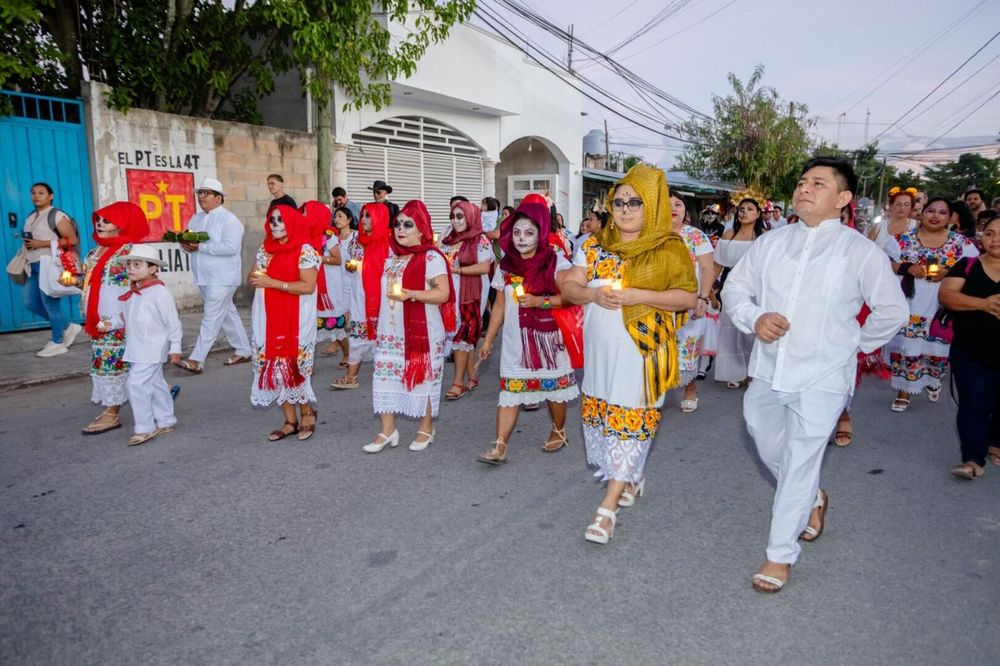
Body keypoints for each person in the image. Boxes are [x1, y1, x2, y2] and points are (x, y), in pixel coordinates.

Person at [723, 156, 908, 592]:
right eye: (803, 181)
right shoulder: (770, 244)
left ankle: (779, 555)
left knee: (803, 457)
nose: (805, 188)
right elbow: (735, 289)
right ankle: (813, 497)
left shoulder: (859, 250)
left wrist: (851, 346)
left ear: (843, 199)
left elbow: (893, 310)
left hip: (824, 376)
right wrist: (754, 316)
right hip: (768, 369)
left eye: (818, 183)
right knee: (765, 439)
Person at [558, 165, 695, 543]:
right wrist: (591, 294)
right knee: (606, 418)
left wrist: (638, 296)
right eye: (619, 202)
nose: (626, 208)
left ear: (651, 205)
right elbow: (570, 287)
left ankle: (607, 508)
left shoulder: (669, 247)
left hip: (643, 352)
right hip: (600, 354)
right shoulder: (592, 244)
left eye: (635, 201)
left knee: (631, 417)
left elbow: (687, 297)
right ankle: (630, 474)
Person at [478, 200, 580, 465]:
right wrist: (488, 340)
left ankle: (558, 430)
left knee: (554, 389)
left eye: (529, 233)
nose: (522, 239)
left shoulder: (555, 262)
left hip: (550, 342)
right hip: (515, 340)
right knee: (510, 392)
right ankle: (499, 445)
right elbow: (500, 304)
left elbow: (571, 299)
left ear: (541, 233)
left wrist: (540, 302)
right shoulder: (506, 264)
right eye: (517, 232)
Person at [363, 200, 455, 453]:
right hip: (390, 330)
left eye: (408, 225)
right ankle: (387, 430)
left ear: (422, 230)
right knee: (385, 378)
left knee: (423, 379)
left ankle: (426, 428)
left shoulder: (432, 257)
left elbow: (443, 294)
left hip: (423, 330)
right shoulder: (393, 257)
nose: (400, 229)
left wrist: (412, 294)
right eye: (398, 224)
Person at [886, 197, 979, 411]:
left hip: (942, 309)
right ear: (922, 213)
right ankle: (904, 391)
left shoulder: (961, 244)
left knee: (938, 350)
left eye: (942, 212)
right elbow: (883, 262)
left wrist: (950, 273)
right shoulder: (903, 239)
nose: (935, 215)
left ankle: (932, 379)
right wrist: (906, 268)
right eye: (931, 210)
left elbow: (973, 268)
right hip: (910, 304)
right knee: (907, 349)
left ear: (949, 217)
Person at [75, 202, 149, 435]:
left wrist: (122, 316)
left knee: (112, 364)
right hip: (98, 318)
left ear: (122, 224)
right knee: (124, 362)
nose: (99, 223)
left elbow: (141, 284)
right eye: (98, 220)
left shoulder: (129, 252)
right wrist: (75, 282)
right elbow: (93, 283)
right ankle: (157, 393)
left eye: (106, 220)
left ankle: (111, 413)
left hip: (119, 317)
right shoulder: (94, 252)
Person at [248, 205, 320, 441]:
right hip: (267, 317)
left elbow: (308, 286)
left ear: (293, 222)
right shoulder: (265, 249)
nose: (275, 224)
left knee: (294, 367)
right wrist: (257, 279)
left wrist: (272, 282)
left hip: (297, 318)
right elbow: (253, 277)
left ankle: (307, 411)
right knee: (275, 367)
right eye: (272, 220)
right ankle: (290, 420)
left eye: (281, 220)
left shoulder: (305, 250)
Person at [939, 215, 1000, 478]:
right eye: (990, 233)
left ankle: (996, 443)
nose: (995, 239)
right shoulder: (967, 264)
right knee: (973, 402)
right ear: (982, 237)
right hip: (970, 351)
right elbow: (947, 295)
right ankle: (973, 459)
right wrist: (983, 304)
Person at [106, 244, 183, 446]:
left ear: (152, 269)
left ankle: (145, 427)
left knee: (136, 384)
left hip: (152, 347)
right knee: (155, 383)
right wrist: (110, 323)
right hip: (136, 347)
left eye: (137, 265)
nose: (131, 268)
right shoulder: (130, 292)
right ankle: (166, 419)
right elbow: (122, 317)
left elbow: (172, 322)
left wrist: (175, 346)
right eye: (129, 264)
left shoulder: (160, 293)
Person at [175, 178, 252, 374]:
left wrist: (200, 246)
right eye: (199, 193)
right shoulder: (196, 219)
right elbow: (189, 244)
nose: (201, 197)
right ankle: (244, 350)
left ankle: (196, 359)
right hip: (203, 277)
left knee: (211, 317)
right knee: (227, 314)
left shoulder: (229, 220)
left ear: (218, 198)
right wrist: (186, 246)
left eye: (206, 193)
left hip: (223, 278)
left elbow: (230, 247)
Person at [331, 204, 391, 389]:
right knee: (358, 333)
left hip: (381, 297)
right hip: (359, 293)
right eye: (363, 215)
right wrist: (352, 266)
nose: (363, 218)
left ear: (379, 218)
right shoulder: (359, 240)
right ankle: (352, 376)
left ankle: (388, 376)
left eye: (368, 215)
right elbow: (354, 263)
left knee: (385, 335)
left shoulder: (390, 242)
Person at [21, 182, 82, 356]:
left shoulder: (57, 215)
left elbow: (72, 240)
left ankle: (58, 342)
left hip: (50, 264)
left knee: (50, 304)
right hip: (33, 265)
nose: (36, 195)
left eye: (41, 192)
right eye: (33, 192)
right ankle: (67, 327)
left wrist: (41, 243)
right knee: (30, 302)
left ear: (51, 196)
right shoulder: (31, 216)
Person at [440, 201, 493, 399]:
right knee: (460, 336)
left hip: (471, 292)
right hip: (448, 292)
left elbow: (485, 268)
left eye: (460, 216)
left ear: (470, 216)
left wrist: (458, 270)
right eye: (452, 216)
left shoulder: (480, 240)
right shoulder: (447, 239)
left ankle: (457, 383)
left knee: (462, 335)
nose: (455, 220)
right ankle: (472, 376)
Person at [670, 194, 715, 413]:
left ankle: (690, 389)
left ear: (685, 211)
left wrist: (703, 297)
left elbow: (707, 267)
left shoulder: (695, 236)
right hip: (658, 302)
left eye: (677, 204)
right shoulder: (651, 235)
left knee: (687, 347)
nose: (672, 208)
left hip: (690, 303)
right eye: (667, 205)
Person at [714, 198, 765, 388]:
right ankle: (736, 372)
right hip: (733, 288)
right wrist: (706, 291)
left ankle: (754, 373)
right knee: (732, 331)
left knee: (752, 332)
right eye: (741, 209)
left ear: (758, 214)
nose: (744, 212)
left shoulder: (764, 237)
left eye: (750, 209)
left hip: (757, 289)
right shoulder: (728, 236)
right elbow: (717, 265)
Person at [318, 206, 354, 361]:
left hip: (350, 278)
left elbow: (340, 259)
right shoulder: (327, 235)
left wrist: (318, 257)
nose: (337, 219)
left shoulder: (332, 236)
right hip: (332, 280)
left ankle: (347, 351)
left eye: (340, 216)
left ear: (349, 219)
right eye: (335, 216)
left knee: (340, 316)